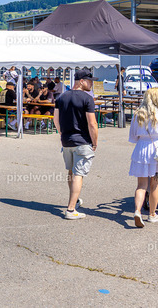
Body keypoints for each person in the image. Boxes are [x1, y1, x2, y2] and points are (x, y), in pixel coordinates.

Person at [53, 69, 99, 220]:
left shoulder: (61, 97)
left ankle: (75, 200)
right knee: (78, 174)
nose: (91, 84)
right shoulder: (87, 98)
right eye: (89, 81)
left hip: (67, 140)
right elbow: (92, 124)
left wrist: (62, 133)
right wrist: (95, 142)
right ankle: (71, 209)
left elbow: (56, 120)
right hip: (82, 140)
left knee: (71, 172)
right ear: (81, 81)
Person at [128, 87, 158, 228]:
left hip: (141, 149)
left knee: (141, 185)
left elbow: (133, 137)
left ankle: (137, 211)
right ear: (157, 98)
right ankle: (152, 214)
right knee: (155, 185)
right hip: (157, 150)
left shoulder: (138, 113)